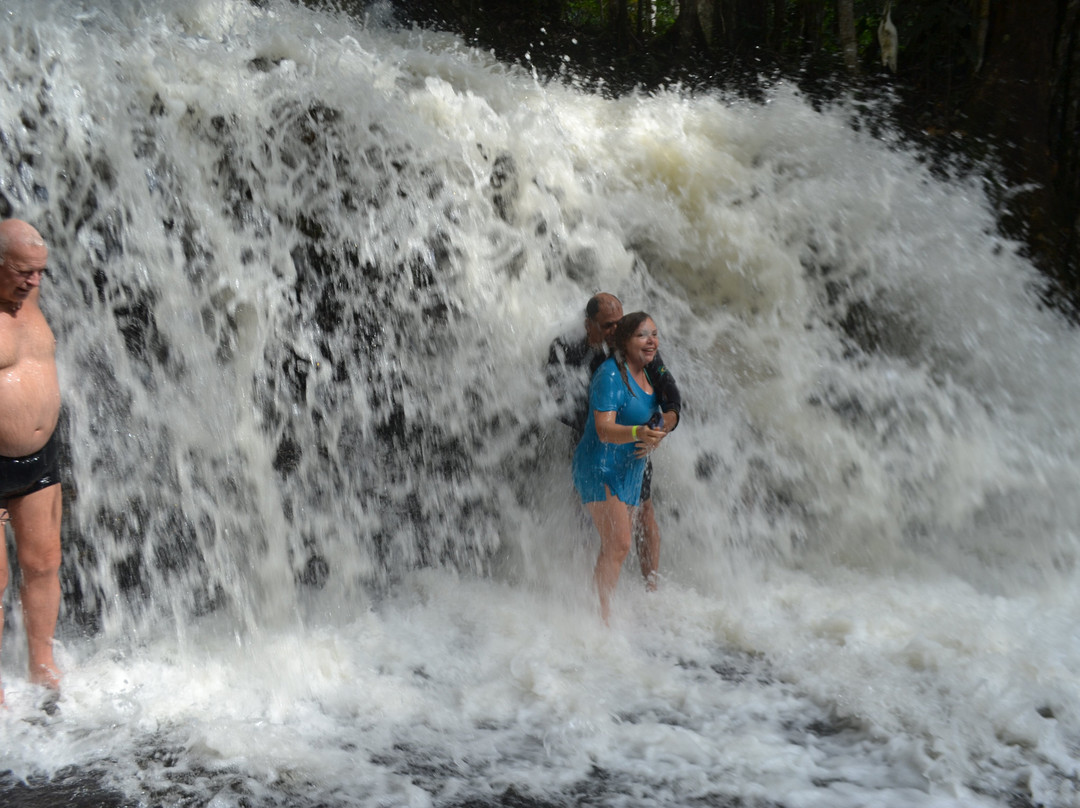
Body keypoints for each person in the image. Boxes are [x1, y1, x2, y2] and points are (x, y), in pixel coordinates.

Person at [547, 293, 681, 595]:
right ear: (589, 325)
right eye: (608, 325)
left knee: (644, 510)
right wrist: (604, 424)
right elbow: (555, 402)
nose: (615, 331)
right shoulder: (565, 348)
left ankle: (651, 589)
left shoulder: (632, 346)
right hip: (589, 440)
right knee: (584, 510)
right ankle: (583, 587)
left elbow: (670, 392)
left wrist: (663, 425)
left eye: (619, 323)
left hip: (634, 441)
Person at [571, 312, 671, 623]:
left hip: (630, 468)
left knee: (615, 546)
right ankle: (599, 619)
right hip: (600, 466)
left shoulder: (650, 372)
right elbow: (603, 429)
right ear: (625, 342)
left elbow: (667, 407)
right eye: (642, 335)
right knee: (619, 543)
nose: (651, 341)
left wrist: (656, 432)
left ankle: (599, 612)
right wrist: (640, 433)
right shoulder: (610, 375)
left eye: (654, 334)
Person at [0, 219, 63, 707]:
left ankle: (42, 664)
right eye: (24, 271)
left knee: (43, 563)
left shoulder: (31, 296)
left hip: (40, 460)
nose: (34, 281)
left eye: (40, 271)